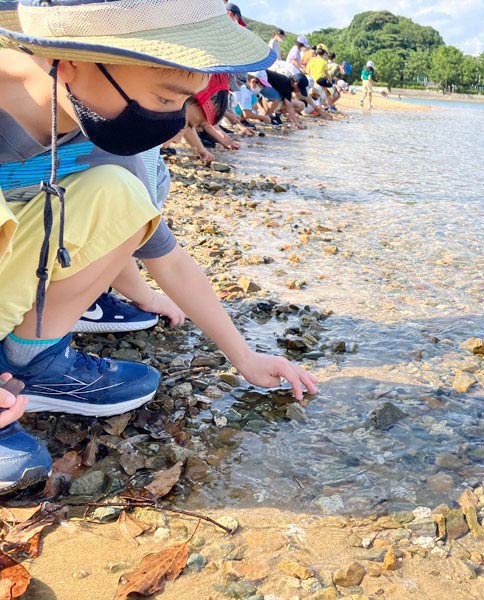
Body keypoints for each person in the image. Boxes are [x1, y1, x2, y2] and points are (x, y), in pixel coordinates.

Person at [0, 0, 315, 495]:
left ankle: (28, 359)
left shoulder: (96, 135)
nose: (170, 125)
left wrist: (245, 357)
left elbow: (170, 260)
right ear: (76, 59)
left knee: (125, 197)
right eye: (168, 99)